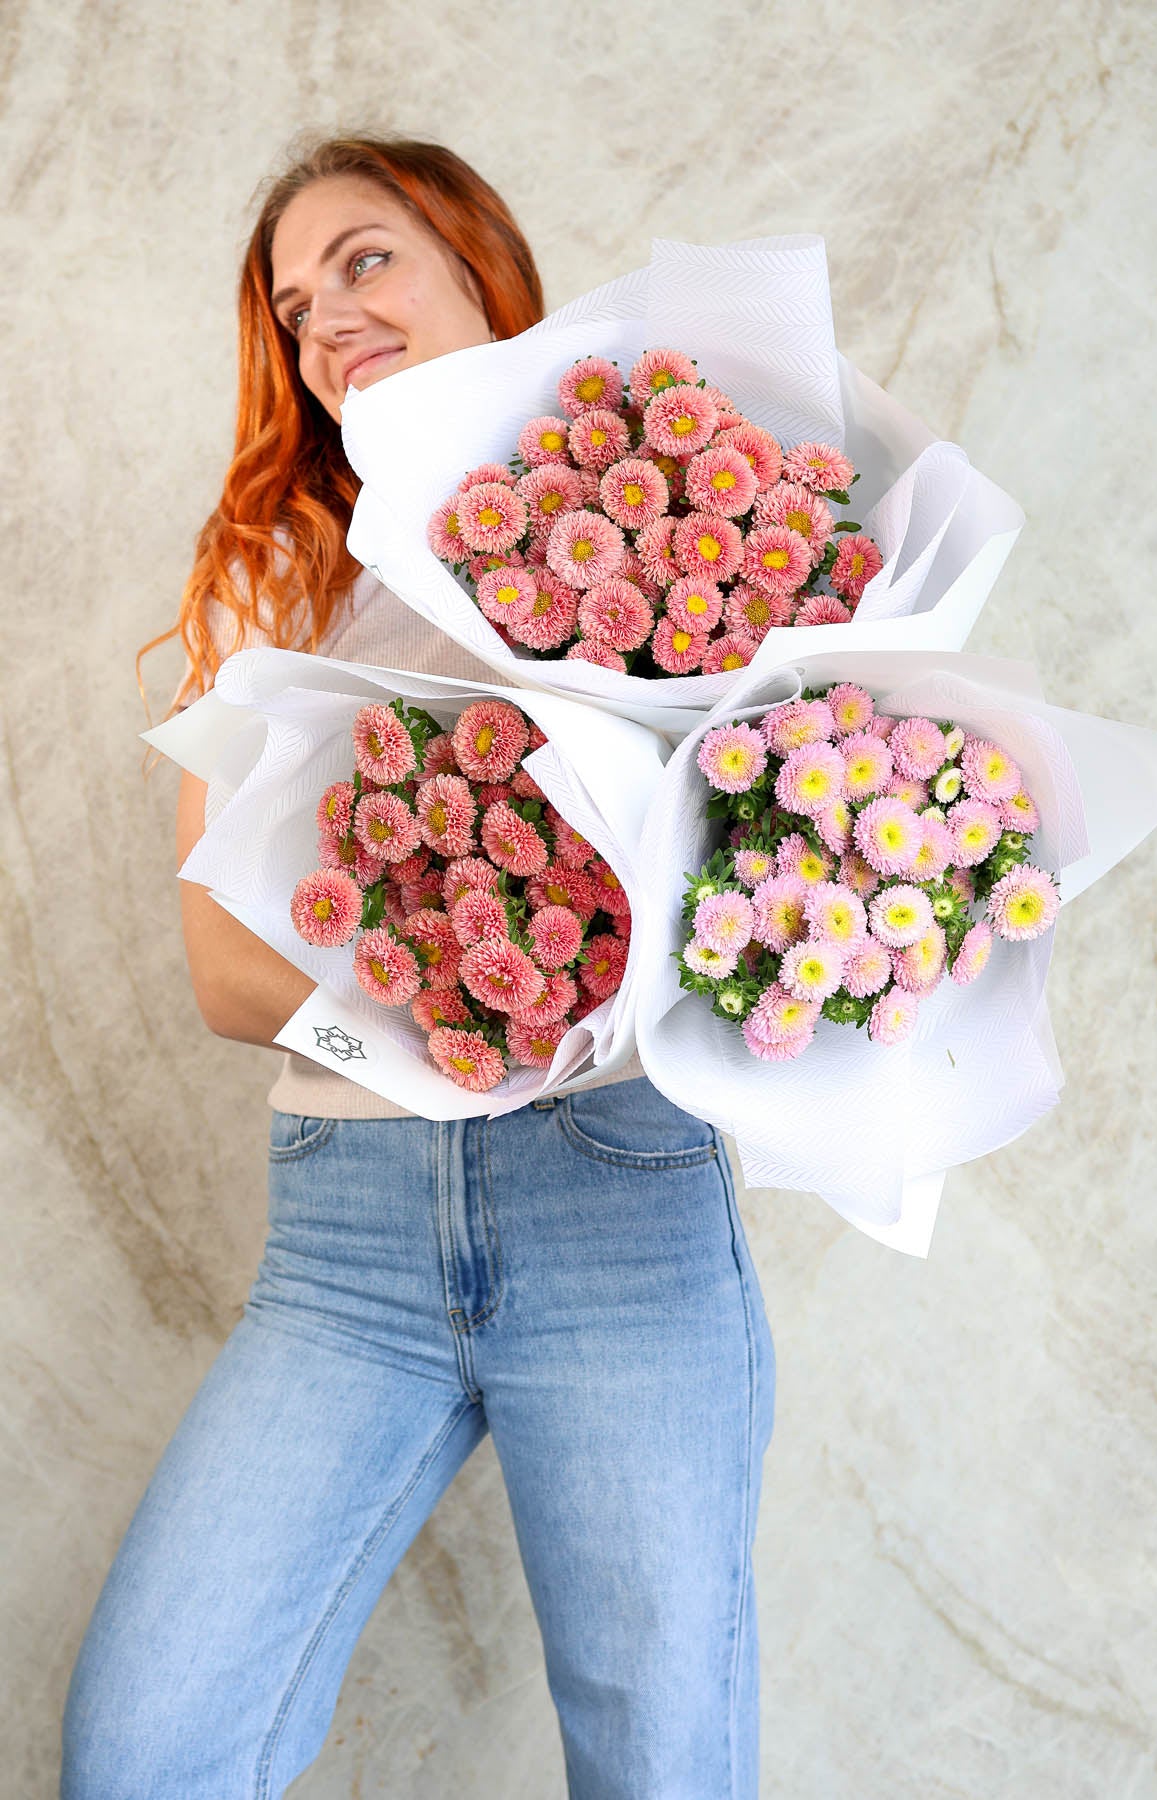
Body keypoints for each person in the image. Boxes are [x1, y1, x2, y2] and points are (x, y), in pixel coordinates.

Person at [61, 137, 775, 1799]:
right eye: (296, 308)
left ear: (474, 259)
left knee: (660, 1760)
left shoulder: (663, 512)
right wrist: (469, 1005)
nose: (328, 324)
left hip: (620, 1212)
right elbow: (227, 973)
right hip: (350, 1247)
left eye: (365, 261)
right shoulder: (276, 569)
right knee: (149, 1747)